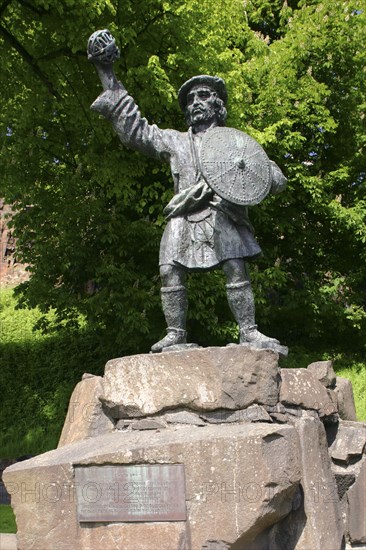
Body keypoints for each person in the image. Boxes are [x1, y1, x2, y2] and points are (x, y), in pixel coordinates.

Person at [88, 31, 287, 354]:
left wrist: (252, 182)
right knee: (169, 270)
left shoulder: (235, 142)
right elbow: (136, 131)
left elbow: (273, 176)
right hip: (183, 214)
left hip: (223, 213)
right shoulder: (174, 141)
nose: (196, 102)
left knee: (236, 267)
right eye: (191, 99)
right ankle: (175, 334)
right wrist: (106, 73)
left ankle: (249, 331)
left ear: (218, 104)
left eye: (204, 95)